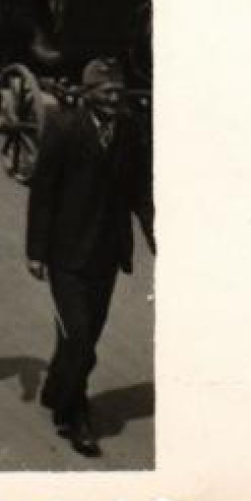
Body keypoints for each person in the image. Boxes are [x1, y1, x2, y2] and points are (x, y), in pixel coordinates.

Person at [27, 58, 153, 458]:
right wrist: (35, 251)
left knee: (85, 334)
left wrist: (154, 233)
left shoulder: (130, 131)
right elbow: (43, 192)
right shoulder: (64, 128)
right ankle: (74, 412)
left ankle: (56, 387)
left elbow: (139, 189)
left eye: (119, 91)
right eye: (106, 91)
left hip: (106, 253)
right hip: (66, 254)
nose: (114, 98)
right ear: (88, 94)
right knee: (79, 336)